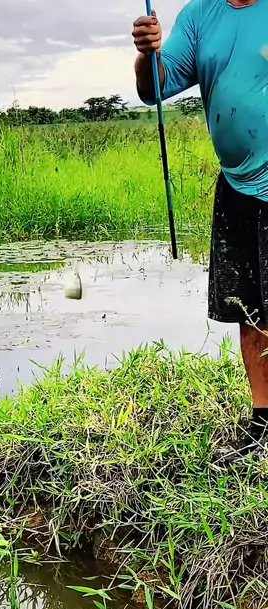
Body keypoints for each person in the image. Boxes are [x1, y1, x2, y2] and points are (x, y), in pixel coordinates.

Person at [133, 0, 268, 461]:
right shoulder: (198, 16)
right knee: (250, 309)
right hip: (236, 184)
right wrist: (147, 54)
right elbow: (154, 87)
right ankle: (262, 424)